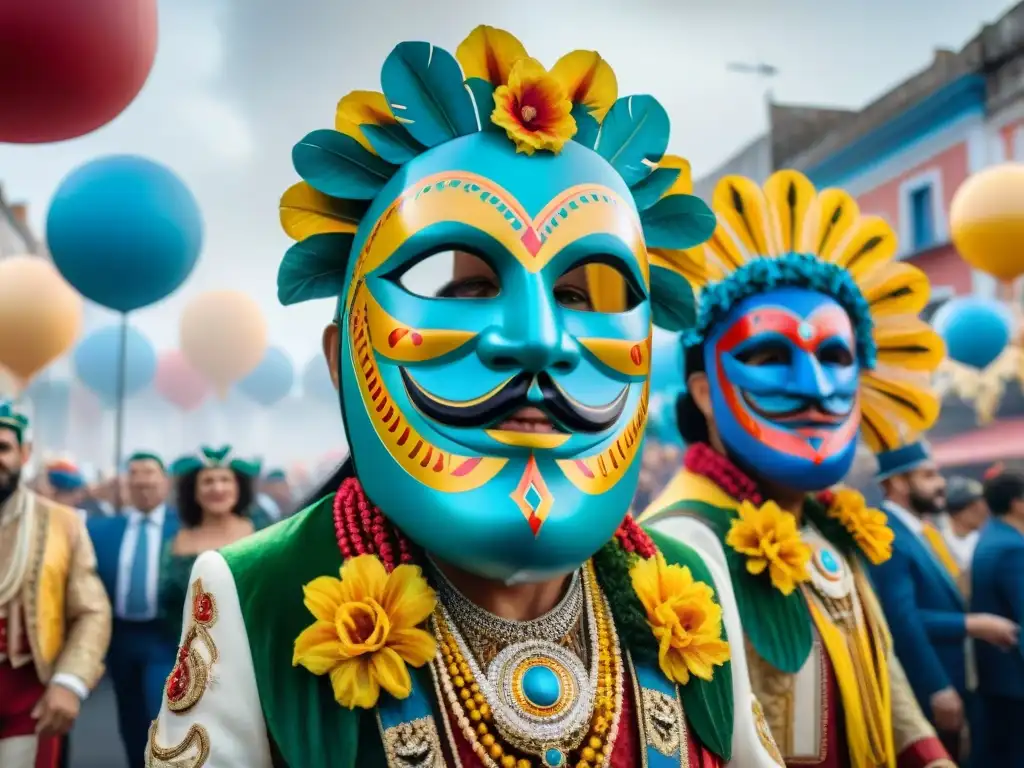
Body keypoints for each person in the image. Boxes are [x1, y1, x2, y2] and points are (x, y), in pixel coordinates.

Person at [147, 24, 786, 767]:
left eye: (581, 294)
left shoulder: (692, 581)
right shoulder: (258, 594)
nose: (539, 338)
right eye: (470, 289)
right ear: (341, 359)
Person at [640, 170, 957, 767]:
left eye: (834, 356)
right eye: (768, 356)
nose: (814, 387)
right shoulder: (677, 544)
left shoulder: (826, 528)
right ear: (704, 393)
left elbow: (884, 676)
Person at [872, 441, 1016, 762]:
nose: (941, 484)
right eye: (928, 475)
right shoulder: (887, 534)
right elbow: (899, 619)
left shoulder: (917, 530)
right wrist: (936, 686)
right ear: (897, 483)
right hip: (931, 685)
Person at [0, 402, 111, 767]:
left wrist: (69, 682)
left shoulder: (63, 523)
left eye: (3, 448)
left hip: (27, 699)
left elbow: (91, 612)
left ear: (24, 454)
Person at [88, 451, 179, 768]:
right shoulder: (102, 530)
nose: (142, 481)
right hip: (119, 637)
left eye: (150, 473)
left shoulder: (183, 529)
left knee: (159, 712)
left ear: (165, 481)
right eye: (135, 474)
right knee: (130, 717)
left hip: (164, 637)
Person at [159, 446, 258, 643]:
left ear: (239, 488)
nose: (218, 488)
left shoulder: (260, 534)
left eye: (225, 480)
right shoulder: (176, 541)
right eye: (208, 481)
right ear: (193, 491)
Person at [971, 471, 1024, 767]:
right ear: (1018, 504)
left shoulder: (994, 535)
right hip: (1015, 681)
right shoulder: (1012, 548)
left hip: (1000, 679)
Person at [938, 476, 988, 574]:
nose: (983, 512)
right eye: (975, 508)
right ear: (957, 513)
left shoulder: (987, 540)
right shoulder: (939, 543)